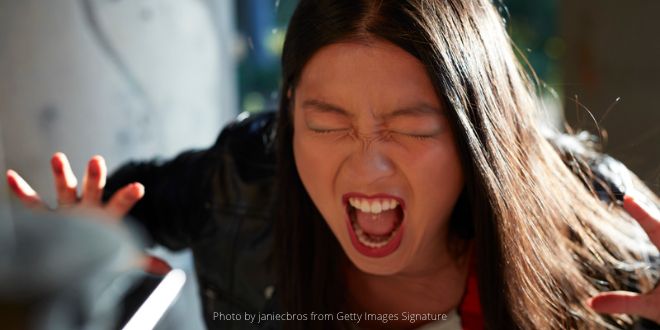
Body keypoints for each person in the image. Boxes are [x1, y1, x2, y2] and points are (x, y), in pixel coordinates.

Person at [6, 0, 660, 329]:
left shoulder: (598, 221)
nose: (367, 167)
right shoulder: (244, 179)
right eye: (325, 124)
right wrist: (77, 250)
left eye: (409, 128)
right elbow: (122, 214)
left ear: (476, 134)